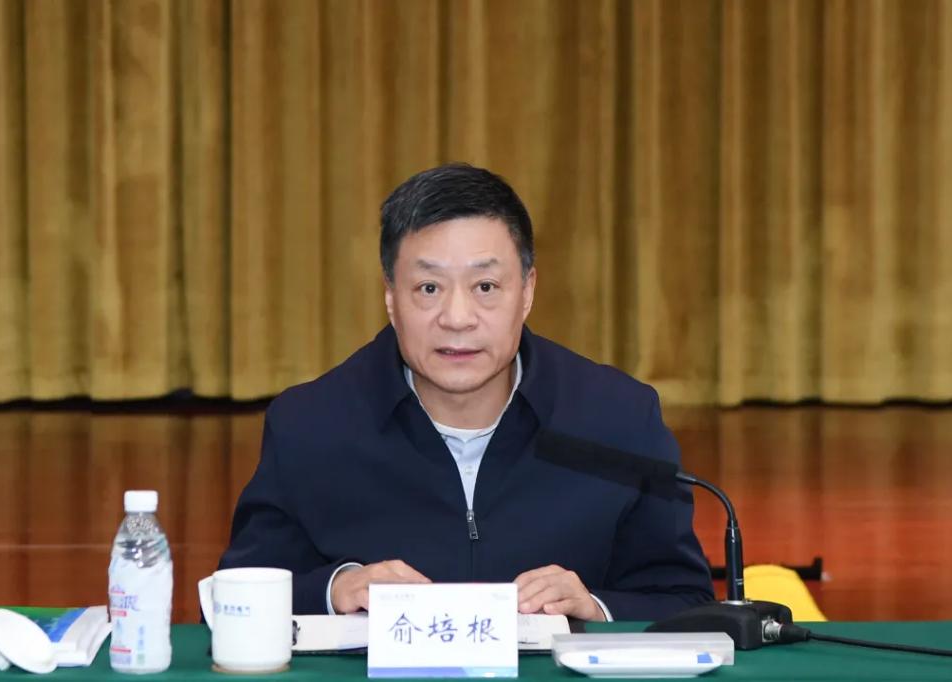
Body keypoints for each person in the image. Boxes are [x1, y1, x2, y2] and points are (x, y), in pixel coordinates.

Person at [218, 163, 714, 621]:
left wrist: (596, 609)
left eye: (485, 287)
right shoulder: (311, 426)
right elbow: (228, 609)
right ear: (390, 297)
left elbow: (685, 601)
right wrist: (334, 590)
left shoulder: (617, 418)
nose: (457, 319)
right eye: (429, 289)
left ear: (528, 291)